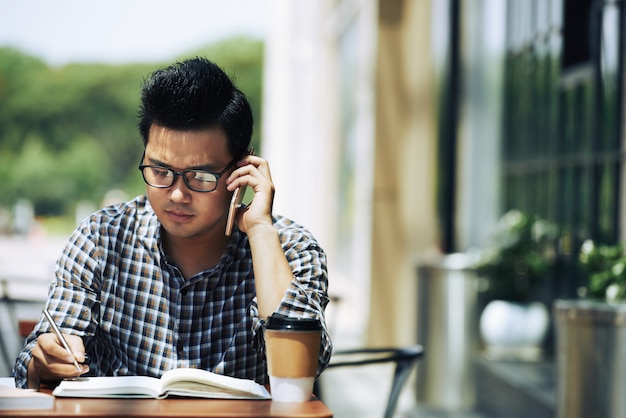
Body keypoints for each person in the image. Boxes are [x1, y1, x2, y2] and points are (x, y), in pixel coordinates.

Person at [13, 57, 332, 389]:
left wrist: (261, 231)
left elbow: (302, 370)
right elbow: (30, 369)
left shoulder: (290, 247)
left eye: (200, 176)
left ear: (241, 171)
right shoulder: (101, 239)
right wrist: (47, 359)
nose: (177, 195)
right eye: (160, 171)